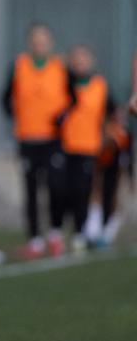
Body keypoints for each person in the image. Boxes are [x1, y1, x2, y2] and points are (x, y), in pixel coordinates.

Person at [0, 23, 71, 259]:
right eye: (35, 40)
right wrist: (16, 114)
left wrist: (62, 117)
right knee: (30, 189)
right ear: (30, 43)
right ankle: (34, 239)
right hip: (28, 138)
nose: (39, 44)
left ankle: (55, 233)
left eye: (43, 40)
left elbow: (73, 99)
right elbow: (5, 98)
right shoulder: (19, 66)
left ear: (49, 43)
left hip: (53, 139)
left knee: (57, 187)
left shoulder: (60, 67)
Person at [59, 45, 109, 252]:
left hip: (89, 147)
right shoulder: (64, 84)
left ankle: (83, 232)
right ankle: (63, 232)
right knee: (64, 191)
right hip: (64, 146)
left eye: (84, 59)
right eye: (76, 59)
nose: (80, 63)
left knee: (84, 191)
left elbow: (111, 112)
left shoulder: (99, 85)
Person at [87, 105, 131, 246]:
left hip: (116, 169)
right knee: (97, 194)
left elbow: (125, 155)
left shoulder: (123, 134)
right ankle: (93, 230)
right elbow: (100, 150)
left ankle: (108, 232)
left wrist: (128, 175)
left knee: (114, 198)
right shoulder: (106, 130)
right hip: (101, 167)